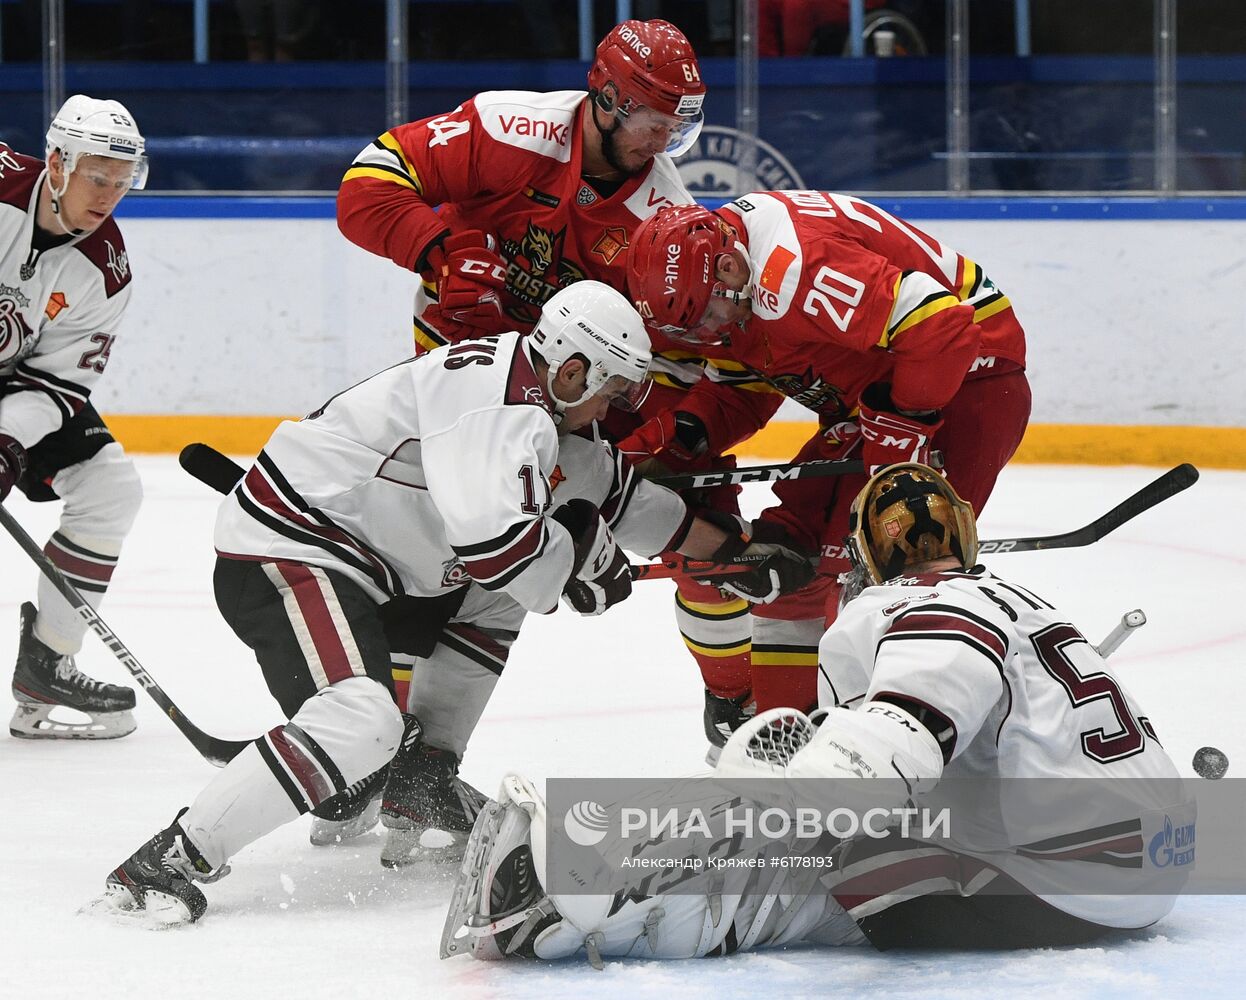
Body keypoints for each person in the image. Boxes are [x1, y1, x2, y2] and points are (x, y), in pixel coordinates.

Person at [98, 281, 812, 925]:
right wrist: (578, 561)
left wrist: (734, 555)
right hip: (293, 552)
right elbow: (501, 549)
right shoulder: (500, 412)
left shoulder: (548, 407)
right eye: (613, 390)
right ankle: (172, 855)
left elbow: (618, 497)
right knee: (360, 724)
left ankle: (424, 773)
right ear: (573, 370)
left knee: (495, 605)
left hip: (375, 564)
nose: (615, 409)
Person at [442, 463, 1193, 963]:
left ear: (867, 555)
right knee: (849, 829)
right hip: (1148, 863)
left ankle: (584, 907)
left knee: (801, 848)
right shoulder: (1018, 604)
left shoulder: (929, 611)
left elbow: (879, 764)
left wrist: (787, 788)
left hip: (1070, 885)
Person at [337, 20, 782, 800]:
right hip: (458, 385)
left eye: (683, 121)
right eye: (656, 117)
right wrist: (439, 249)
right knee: (434, 563)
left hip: (577, 397)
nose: (669, 138)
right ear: (606, 98)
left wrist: (650, 438)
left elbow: (675, 356)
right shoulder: (509, 128)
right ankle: (380, 751)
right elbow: (365, 188)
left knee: (684, 504)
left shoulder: (662, 217)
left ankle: (733, 702)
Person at [626, 190, 1032, 734]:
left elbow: (944, 329)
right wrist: (672, 445)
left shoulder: (792, 271)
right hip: (875, 397)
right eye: (690, 331)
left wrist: (897, 446)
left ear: (728, 266)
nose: (709, 337)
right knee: (786, 565)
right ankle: (779, 748)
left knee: (891, 579)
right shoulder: (724, 282)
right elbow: (741, 390)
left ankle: (892, 751)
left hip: (968, 383)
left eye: (707, 319)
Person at [1, 96, 148, 741]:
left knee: (111, 487)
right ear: (57, 163)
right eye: (97, 176)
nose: (109, 194)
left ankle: (48, 663)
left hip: (10, 388)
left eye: (123, 182)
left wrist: (6, 440)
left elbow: (56, 380)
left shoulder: (105, 270)